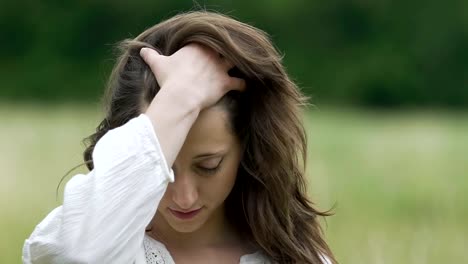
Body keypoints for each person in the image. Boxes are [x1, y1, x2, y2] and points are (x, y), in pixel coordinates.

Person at [22, 11, 336, 264]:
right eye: (165, 165)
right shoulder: (107, 248)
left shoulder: (297, 258)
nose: (184, 197)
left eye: (209, 165)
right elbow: (78, 254)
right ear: (130, 144)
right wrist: (179, 96)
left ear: (247, 149)